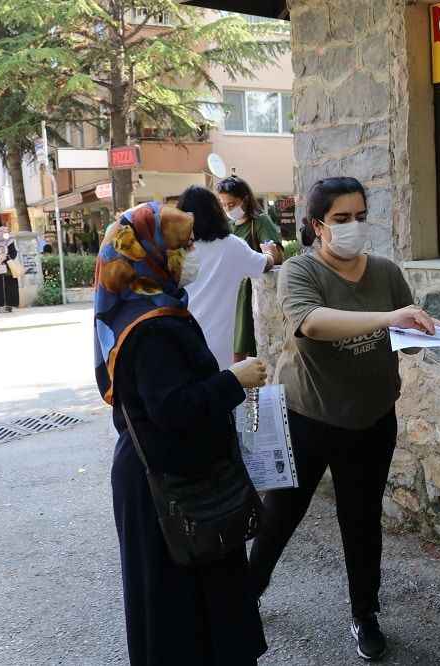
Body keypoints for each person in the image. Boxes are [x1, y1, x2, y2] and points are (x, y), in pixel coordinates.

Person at [249, 177, 439, 662]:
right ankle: (247, 593)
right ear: (317, 225)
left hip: (372, 419)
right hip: (308, 417)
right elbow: (312, 323)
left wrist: (430, 335)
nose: (353, 226)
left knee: (362, 520)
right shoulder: (300, 270)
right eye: (341, 218)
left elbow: (405, 340)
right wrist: (387, 318)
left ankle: (364, 614)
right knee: (281, 515)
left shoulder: (386, 273)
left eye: (360, 216)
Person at [93, 201, 269, 665]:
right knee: (184, 616)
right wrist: (234, 380)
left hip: (165, 473)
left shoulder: (141, 307)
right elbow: (173, 409)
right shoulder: (153, 327)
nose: (192, 254)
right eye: (183, 246)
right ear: (150, 254)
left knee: (192, 610)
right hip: (169, 485)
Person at [177, 185, 278, 369]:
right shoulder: (232, 245)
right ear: (216, 212)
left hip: (178, 338)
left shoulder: (173, 249)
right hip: (216, 345)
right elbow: (264, 264)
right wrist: (270, 253)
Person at [217, 175, 285, 363]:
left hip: (252, 293)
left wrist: (269, 254)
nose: (228, 209)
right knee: (232, 347)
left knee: (251, 348)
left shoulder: (260, 222)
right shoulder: (227, 226)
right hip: (231, 292)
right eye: (223, 205)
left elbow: (276, 254)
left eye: (231, 204)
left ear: (245, 199)